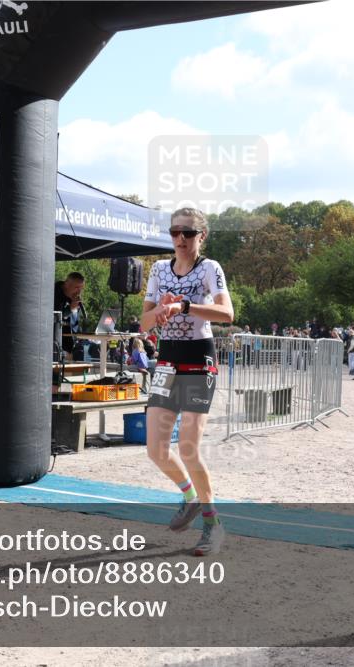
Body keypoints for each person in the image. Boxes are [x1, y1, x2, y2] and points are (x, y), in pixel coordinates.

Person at [141, 208, 234, 557]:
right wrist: (160, 310)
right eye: (175, 232)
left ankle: (213, 525)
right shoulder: (159, 270)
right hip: (167, 360)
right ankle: (189, 497)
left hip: (198, 358)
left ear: (201, 236)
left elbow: (227, 314)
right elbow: (144, 324)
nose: (180, 239)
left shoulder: (210, 268)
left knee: (188, 447)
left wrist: (184, 306)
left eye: (188, 233)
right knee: (156, 450)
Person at [53, 272, 86, 360]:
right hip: (56, 345)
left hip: (72, 345)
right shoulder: (53, 293)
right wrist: (70, 309)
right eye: (77, 287)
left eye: (81, 288)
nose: (79, 291)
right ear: (66, 284)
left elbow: (75, 322)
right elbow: (55, 318)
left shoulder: (73, 298)